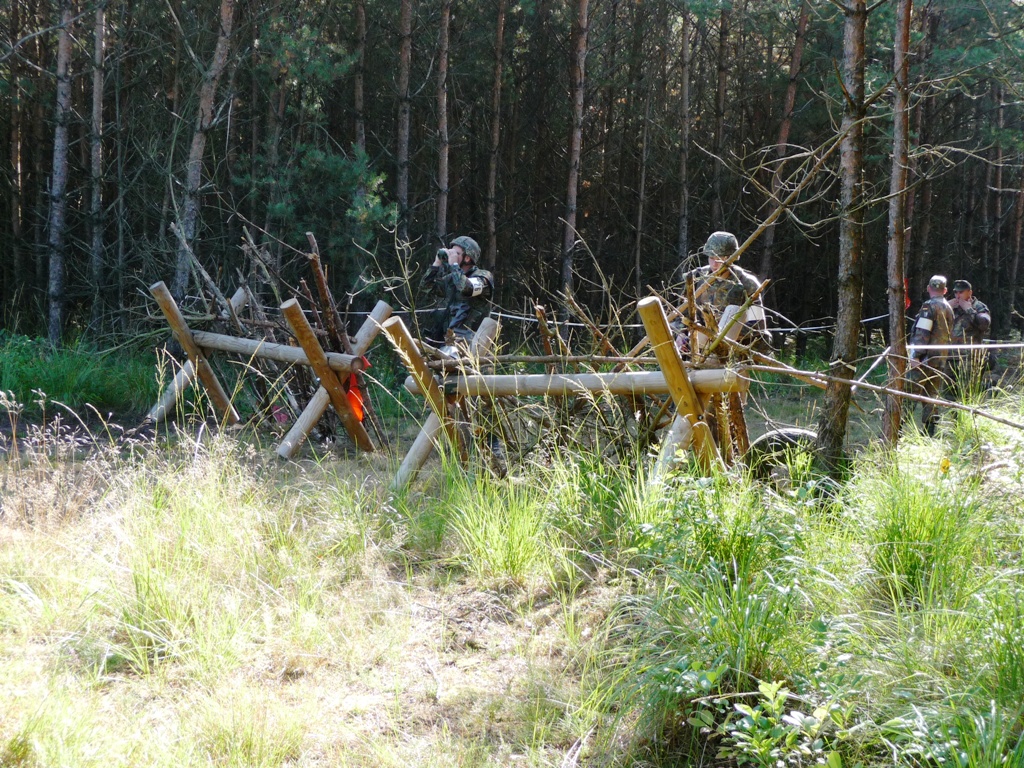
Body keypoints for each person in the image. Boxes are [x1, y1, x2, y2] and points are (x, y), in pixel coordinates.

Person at [677, 231, 769, 355]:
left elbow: (757, 325)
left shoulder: (747, 283)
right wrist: (682, 334)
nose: (714, 264)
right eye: (711, 258)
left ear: (732, 258)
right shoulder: (696, 278)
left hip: (736, 346)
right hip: (699, 341)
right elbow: (682, 315)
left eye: (720, 259)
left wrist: (721, 337)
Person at [419, 235, 494, 345]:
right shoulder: (452, 279)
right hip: (448, 338)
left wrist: (454, 265)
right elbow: (426, 287)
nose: (452, 255)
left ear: (467, 258)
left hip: (471, 341)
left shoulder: (484, 277)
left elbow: (466, 289)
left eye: (456, 254)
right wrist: (436, 264)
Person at [906, 274, 954, 436]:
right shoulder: (948, 308)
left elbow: (923, 332)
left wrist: (915, 356)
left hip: (924, 360)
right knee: (931, 396)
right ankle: (929, 433)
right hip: (940, 360)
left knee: (908, 393)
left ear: (928, 288)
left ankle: (895, 432)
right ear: (945, 290)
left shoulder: (929, 306)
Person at [948, 279, 992, 394]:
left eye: (961, 292)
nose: (958, 295)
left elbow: (984, 325)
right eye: (956, 292)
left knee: (967, 393)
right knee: (948, 393)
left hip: (969, 358)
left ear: (970, 292)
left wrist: (969, 310)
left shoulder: (979, 307)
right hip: (950, 357)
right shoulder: (951, 306)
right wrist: (945, 307)